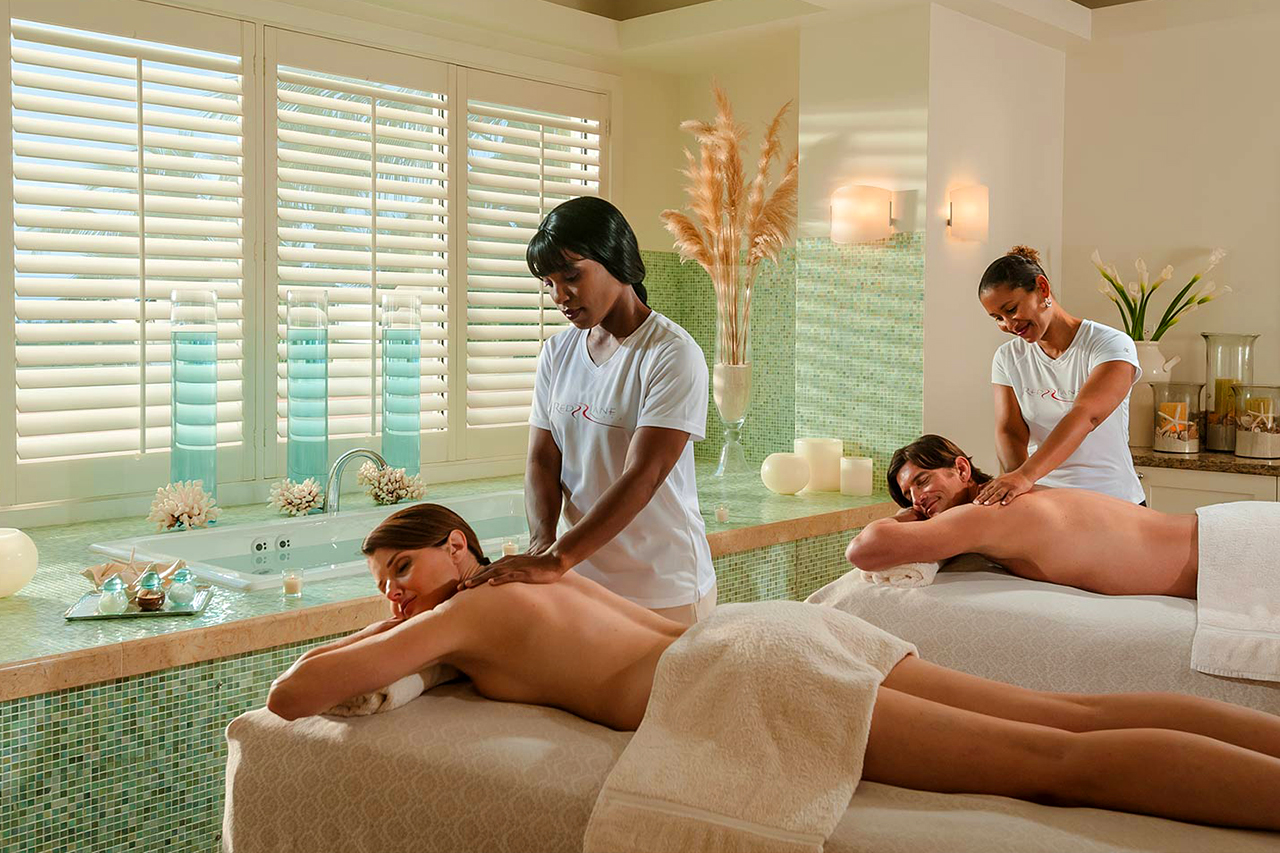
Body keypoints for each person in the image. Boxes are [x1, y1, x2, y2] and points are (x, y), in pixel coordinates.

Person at [266, 503, 1280, 833]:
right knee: (1070, 716)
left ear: (455, 543)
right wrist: (402, 622)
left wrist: (371, 639)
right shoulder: (540, 572)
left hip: (745, 676)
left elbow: (293, 692)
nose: (394, 599)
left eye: (402, 570)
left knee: (1052, 763)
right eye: (382, 587)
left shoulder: (463, 616)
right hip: (766, 634)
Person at [459, 196, 716, 625]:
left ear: (615, 260)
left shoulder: (671, 353)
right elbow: (543, 459)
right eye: (548, 283)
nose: (559, 295)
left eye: (571, 276)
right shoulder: (558, 352)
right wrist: (543, 544)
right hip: (582, 581)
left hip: (662, 587)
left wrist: (557, 558)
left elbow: (644, 475)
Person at [846, 435, 1198, 597]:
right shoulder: (1011, 497)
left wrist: (908, 517)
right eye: (907, 495)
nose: (917, 500)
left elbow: (863, 550)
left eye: (922, 481)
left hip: (1210, 555)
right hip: (1205, 539)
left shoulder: (985, 511)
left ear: (962, 469)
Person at [978, 245, 1145, 506]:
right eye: (997, 318)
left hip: (1113, 501)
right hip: (1047, 502)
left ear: (1042, 289)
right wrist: (1019, 486)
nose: (1008, 325)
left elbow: (1086, 415)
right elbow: (1010, 431)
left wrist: (1025, 476)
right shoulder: (1008, 357)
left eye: (1011, 310)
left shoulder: (1110, 344)